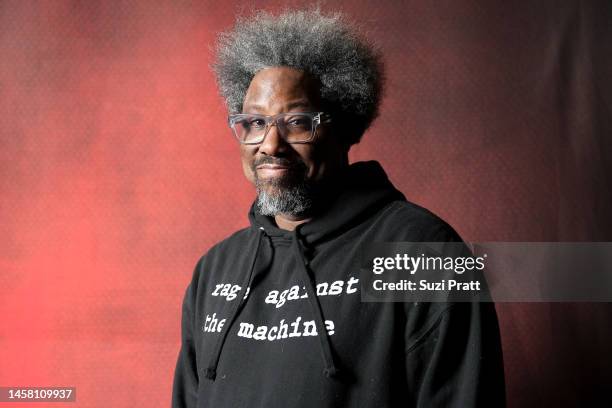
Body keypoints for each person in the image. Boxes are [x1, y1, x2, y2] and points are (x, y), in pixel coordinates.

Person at [172, 9, 505, 408]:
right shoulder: (216, 269)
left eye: (296, 122)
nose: (270, 145)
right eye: (255, 123)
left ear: (344, 128)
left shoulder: (422, 253)